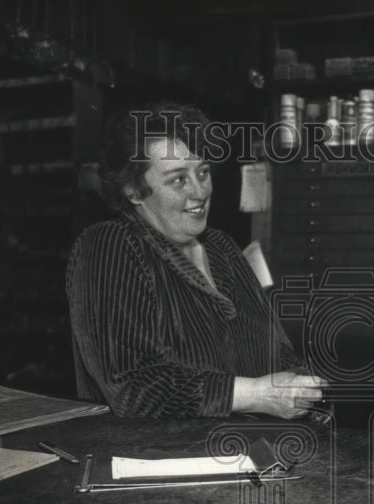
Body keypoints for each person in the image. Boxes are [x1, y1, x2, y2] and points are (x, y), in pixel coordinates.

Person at [66, 102, 325, 419]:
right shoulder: (110, 245)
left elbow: (279, 355)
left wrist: (303, 389)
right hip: (154, 459)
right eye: (178, 180)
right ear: (134, 191)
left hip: (251, 451)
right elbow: (133, 385)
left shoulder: (222, 248)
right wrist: (258, 395)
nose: (200, 191)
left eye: (202, 173)